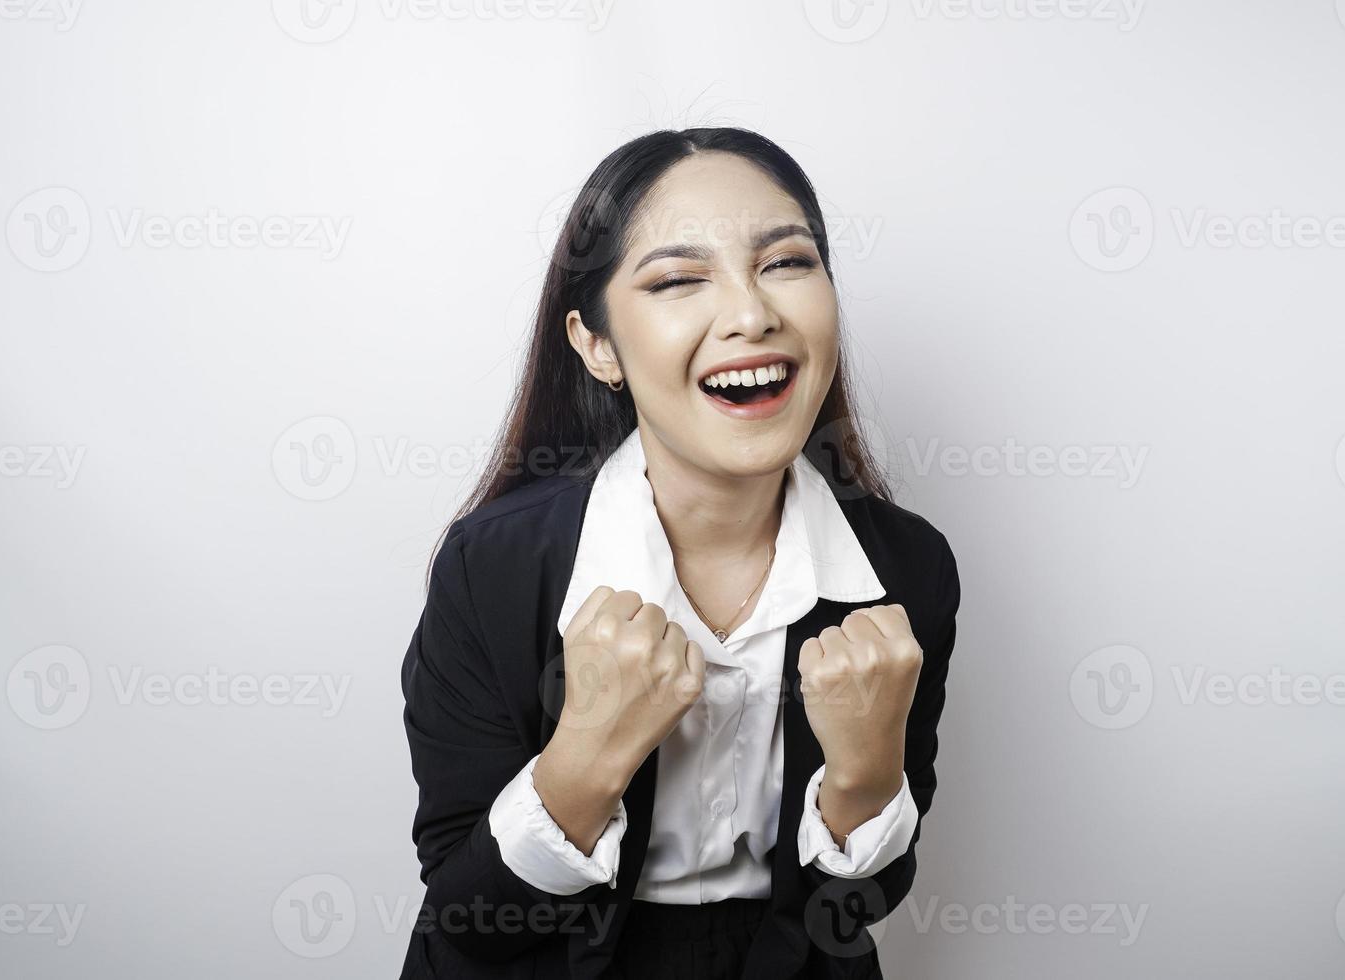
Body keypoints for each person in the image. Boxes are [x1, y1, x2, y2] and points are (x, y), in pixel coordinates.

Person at [399, 126, 960, 980]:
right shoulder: (495, 567)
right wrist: (585, 753)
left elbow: (858, 909)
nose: (750, 314)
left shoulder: (907, 569)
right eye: (677, 280)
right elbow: (470, 919)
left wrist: (866, 777)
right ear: (596, 346)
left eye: (787, 264)